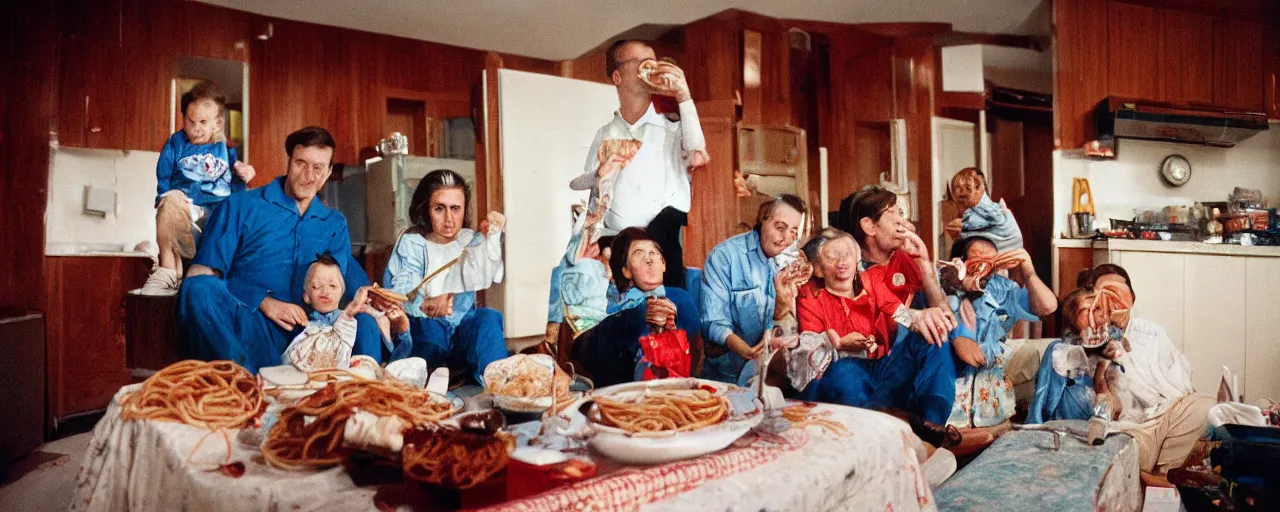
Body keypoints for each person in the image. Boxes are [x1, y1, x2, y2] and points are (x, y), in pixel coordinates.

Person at [176, 126, 381, 373]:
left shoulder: (334, 224)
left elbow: (341, 288)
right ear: (289, 162)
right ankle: (242, 385)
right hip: (250, 326)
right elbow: (199, 273)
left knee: (368, 320)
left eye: (317, 168)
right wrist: (263, 301)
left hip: (311, 334)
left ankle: (362, 397)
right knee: (198, 289)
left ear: (327, 174)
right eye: (300, 164)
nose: (307, 175)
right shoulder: (240, 205)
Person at [569, 39, 709, 290]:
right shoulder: (605, 134)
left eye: (653, 61)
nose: (650, 67)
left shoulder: (671, 127)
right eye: (640, 62)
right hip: (617, 245)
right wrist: (598, 173)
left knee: (668, 318)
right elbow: (581, 184)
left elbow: (696, 146)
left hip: (664, 244)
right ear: (617, 76)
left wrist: (683, 94)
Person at [795, 228, 961, 426]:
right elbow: (809, 352)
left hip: (883, 367)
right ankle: (878, 425)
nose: (842, 262)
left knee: (933, 338)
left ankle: (932, 423)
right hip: (842, 374)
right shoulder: (809, 296)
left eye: (846, 255)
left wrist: (918, 318)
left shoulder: (869, 281)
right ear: (819, 269)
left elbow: (898, 311)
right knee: (844, 371)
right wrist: (838, 345)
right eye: (832, 257)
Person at [383, 169, 507, 385]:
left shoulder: (471, 238)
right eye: (440, 209)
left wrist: (493, 236)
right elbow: (400, 296)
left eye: (455, 209)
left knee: (488, 317)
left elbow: (495, 274)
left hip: (461, 333)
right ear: (426, 210)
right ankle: (414, 389)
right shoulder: (412, 243)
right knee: (433, 331)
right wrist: (426, 305)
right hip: (426, 333)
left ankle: (500, 386)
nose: (449, 219)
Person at [139, 80, 256, 295]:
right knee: (169, 201)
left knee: (237, 228)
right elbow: (164, 175)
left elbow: (234, 173)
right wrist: (165, 198)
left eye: (203, 122)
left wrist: (243, 170)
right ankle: (167, 269)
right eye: (190, 121)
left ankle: (202, 272)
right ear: (183, 119)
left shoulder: (222, 147)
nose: (195, 128)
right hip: (187, 205)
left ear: (217, 125)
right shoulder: (175, 143)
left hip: (218, 212)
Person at [943, 236, 1057, 429]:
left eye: (991, 261)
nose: (985, 266)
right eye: (978, 258)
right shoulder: (941, 287)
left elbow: (1047, 307)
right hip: (950, 392)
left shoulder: (1003, 289)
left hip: (990, 395)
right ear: (959, 261)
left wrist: (1028, 272)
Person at [701, 194, 808, 386]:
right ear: (763, 219)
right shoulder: (725, 256)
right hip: (727, 377)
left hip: (772, 376)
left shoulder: (791, 264)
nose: (786, 239)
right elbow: (712, 322)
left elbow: (787, 324)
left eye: (793, 232)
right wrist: (744, 349)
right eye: (780, 228)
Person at [571, 227, 699, 387]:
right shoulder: (613, 308)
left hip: (670, 385)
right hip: (623, 390)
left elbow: (694, 342)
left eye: (653, 253)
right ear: (626, 271)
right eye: (639, 253)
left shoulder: (678, 297)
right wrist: (635, 316)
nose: (649, 259)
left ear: (664, 264)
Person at [281, 254, 409, 371]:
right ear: (306, 296)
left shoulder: (358, 320)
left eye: (332, 286)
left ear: (341, 293)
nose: (325, 291)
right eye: (317, 286)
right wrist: (350, 311)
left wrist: (398, 328)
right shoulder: (305, 327)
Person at [945, 168, 1022, 252]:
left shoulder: (990, 210)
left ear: (980, 190)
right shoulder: (961, 213)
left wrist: (965, 228)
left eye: (968, 187)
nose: (962, 191)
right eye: (957, 187)